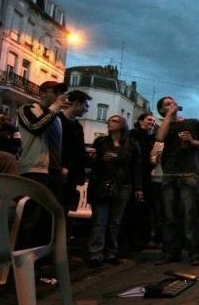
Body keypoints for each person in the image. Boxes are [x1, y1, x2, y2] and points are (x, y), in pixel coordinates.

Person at [154, 96, 199, 267]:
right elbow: (160, 138)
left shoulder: (192, 122)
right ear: (162, 110)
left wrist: (192, 141)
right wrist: (168, 117)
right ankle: (171, 252)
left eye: (173, 102)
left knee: (189, 214)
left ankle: (194, 253)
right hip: (169, 174)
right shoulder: (164, 125)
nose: (171, 105)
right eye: (167, 104)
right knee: (169, 216)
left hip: (188, 173)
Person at [16, 80, 67, 250]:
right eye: (56, 92)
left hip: (53, 171)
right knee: (31, 217)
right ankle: (23, 256)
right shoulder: (27, 110)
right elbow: (36, 127)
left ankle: (41, 257)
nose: (60, 96)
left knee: (48, 217)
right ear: (43, 93)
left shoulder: (56, 118)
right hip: (36, 170)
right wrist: (54, 108)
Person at [86, 115, 143, 268]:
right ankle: (95, 253)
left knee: (115, 222)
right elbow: (93, 163)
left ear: (123, 125)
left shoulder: (131, 144)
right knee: (99, 220)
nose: (109, 122)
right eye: (109, 121)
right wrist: (96, 159)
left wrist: (138, 188)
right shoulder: (101, 142)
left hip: (123, 185)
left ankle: (111, 252)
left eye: (115, 121)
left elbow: (136, 167)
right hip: (103, 184)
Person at [120, 112, 156, 255]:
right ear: (140, 121)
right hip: (137, 177)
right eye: (149, 120)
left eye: (153, 121)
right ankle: (129, 244)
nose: (152, 123)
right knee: (132, 211)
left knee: (141, 211)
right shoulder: (134, 135)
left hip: (145, 176)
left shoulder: (149, 138)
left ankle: (138, 242)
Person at [58, 90, 91, 211]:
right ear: (77, 103)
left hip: (72, 175)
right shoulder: (57, 120)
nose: (87, 110)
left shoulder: (78, 126)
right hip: (59, 173)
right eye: (86, 106)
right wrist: (62, 165)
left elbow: (79, 150)